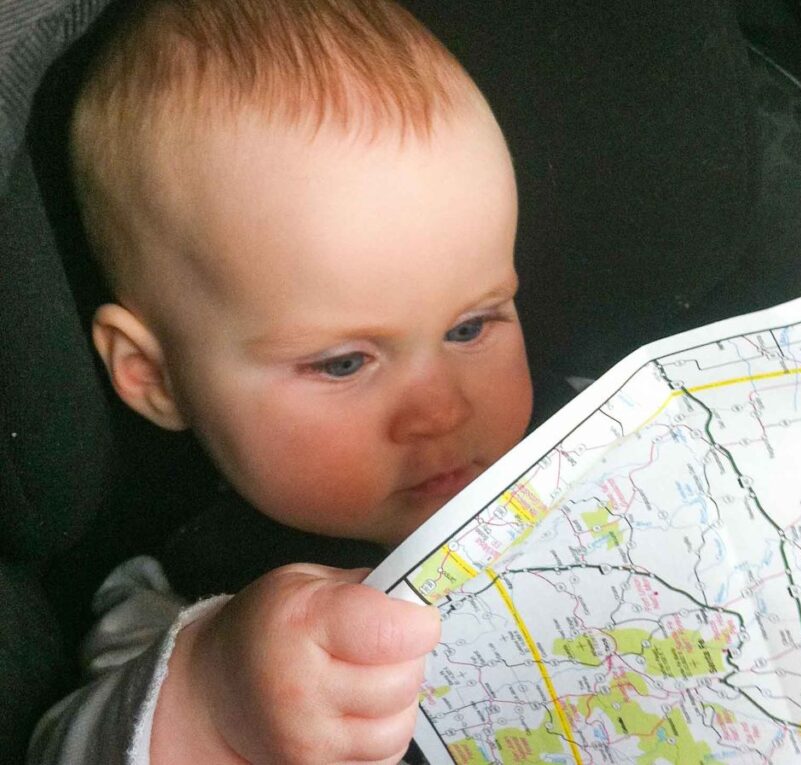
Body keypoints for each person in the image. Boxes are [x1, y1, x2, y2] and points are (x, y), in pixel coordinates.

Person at [28, 0, 534, 762]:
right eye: (343, 362)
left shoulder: (595, 455)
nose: (440, 409)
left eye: (470, 327)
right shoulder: (178, 599)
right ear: (156, 376)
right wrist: (215, 701)